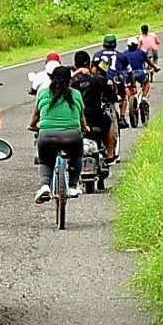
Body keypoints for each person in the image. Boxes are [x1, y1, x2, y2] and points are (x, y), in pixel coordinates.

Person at [29, 65, 87, 204]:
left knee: (45, 161)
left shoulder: (43, 93)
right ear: (70, 80)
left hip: (47, 135)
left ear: (51, 78)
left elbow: (36, 115)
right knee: (77, 156)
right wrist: (85, 128)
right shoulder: (76, 94)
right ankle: (72, 186)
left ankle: (45, 185)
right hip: (72, 135)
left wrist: (32, 126)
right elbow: (81, 117)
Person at [71, 49, 118, 163]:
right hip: (95, 116)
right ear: (89, 64)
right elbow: (111, 96)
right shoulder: (98, 79)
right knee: (110, 125)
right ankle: (110, 154)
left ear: (75, 65)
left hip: (75, 116)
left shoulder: (71, 81)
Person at [91, 34, 132, 126]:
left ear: (103, 44)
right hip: (115, 80)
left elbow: (94, 70)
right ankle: (122, 117)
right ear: (115, 45)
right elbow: (129, 71)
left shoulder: (97, 55)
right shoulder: (121, 56)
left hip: (100, 80)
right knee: (123, 97)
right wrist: (132, 84)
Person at [122, 36, 154, 105]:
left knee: (128, 85)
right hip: (139, 72)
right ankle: (144, 98)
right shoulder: (141, 52)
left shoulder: (124, 53)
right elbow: (148, 62)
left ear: (128, 45)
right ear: (137, 45)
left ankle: (129, 101)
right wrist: (155, 67)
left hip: (127, 74)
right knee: (146, 82)